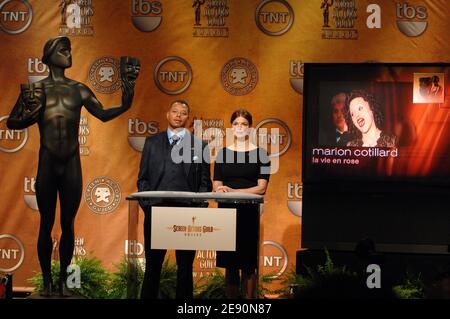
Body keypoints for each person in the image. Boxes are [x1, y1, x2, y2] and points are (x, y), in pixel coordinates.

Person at [6, 37, 140, 297]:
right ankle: (47, 283)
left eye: (69, 49)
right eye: (63, 50)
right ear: (49, 56)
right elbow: (12, 122)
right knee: (46, 223)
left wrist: (127, 100)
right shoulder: (35, 90)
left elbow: (101, 114)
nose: (69, 54)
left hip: (71, 165)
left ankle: (65, 282)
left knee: (68, 224)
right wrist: (30, 116)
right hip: (46, 164)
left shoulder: (78, 89)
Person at [137, 100, 212, 299]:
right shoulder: (151, 142)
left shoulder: (200, 146)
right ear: (167, 114)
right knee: (153, 267)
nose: (179, 115)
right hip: (157, 213)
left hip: (188, 215)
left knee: (185, 268)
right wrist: (149, 208)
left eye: (183, 113)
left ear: (188, 118)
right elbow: (143, 179)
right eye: (175, 111)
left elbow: (206, 183)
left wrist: (198, 211)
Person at [213, 108, 270, 299]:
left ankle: (249, 304)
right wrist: (221, 190)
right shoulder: (222, 154)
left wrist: (234, 192)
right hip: (226, 213)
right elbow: (217, 184)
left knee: (248, 265)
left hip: (248, 213)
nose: (240, 127)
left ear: (250, 128)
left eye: (244, 124)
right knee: (230, 265)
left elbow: (261, 187)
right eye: (236, 124)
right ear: (231, 127)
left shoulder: (261, 154)